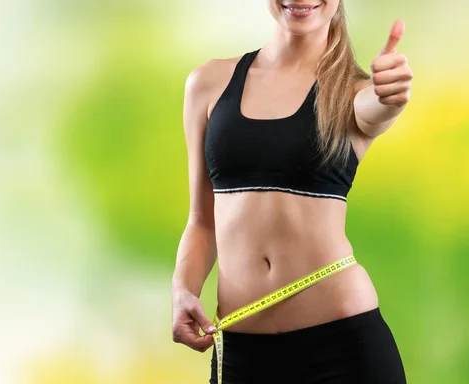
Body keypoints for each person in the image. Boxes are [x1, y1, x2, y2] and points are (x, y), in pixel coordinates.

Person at [171, 1, 412, 383]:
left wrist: (390, 96)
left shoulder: (355, 91)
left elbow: (375, 108)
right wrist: (184, 290)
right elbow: (202, 222)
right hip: (242, 355)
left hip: (344, 349)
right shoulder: (207, 84)